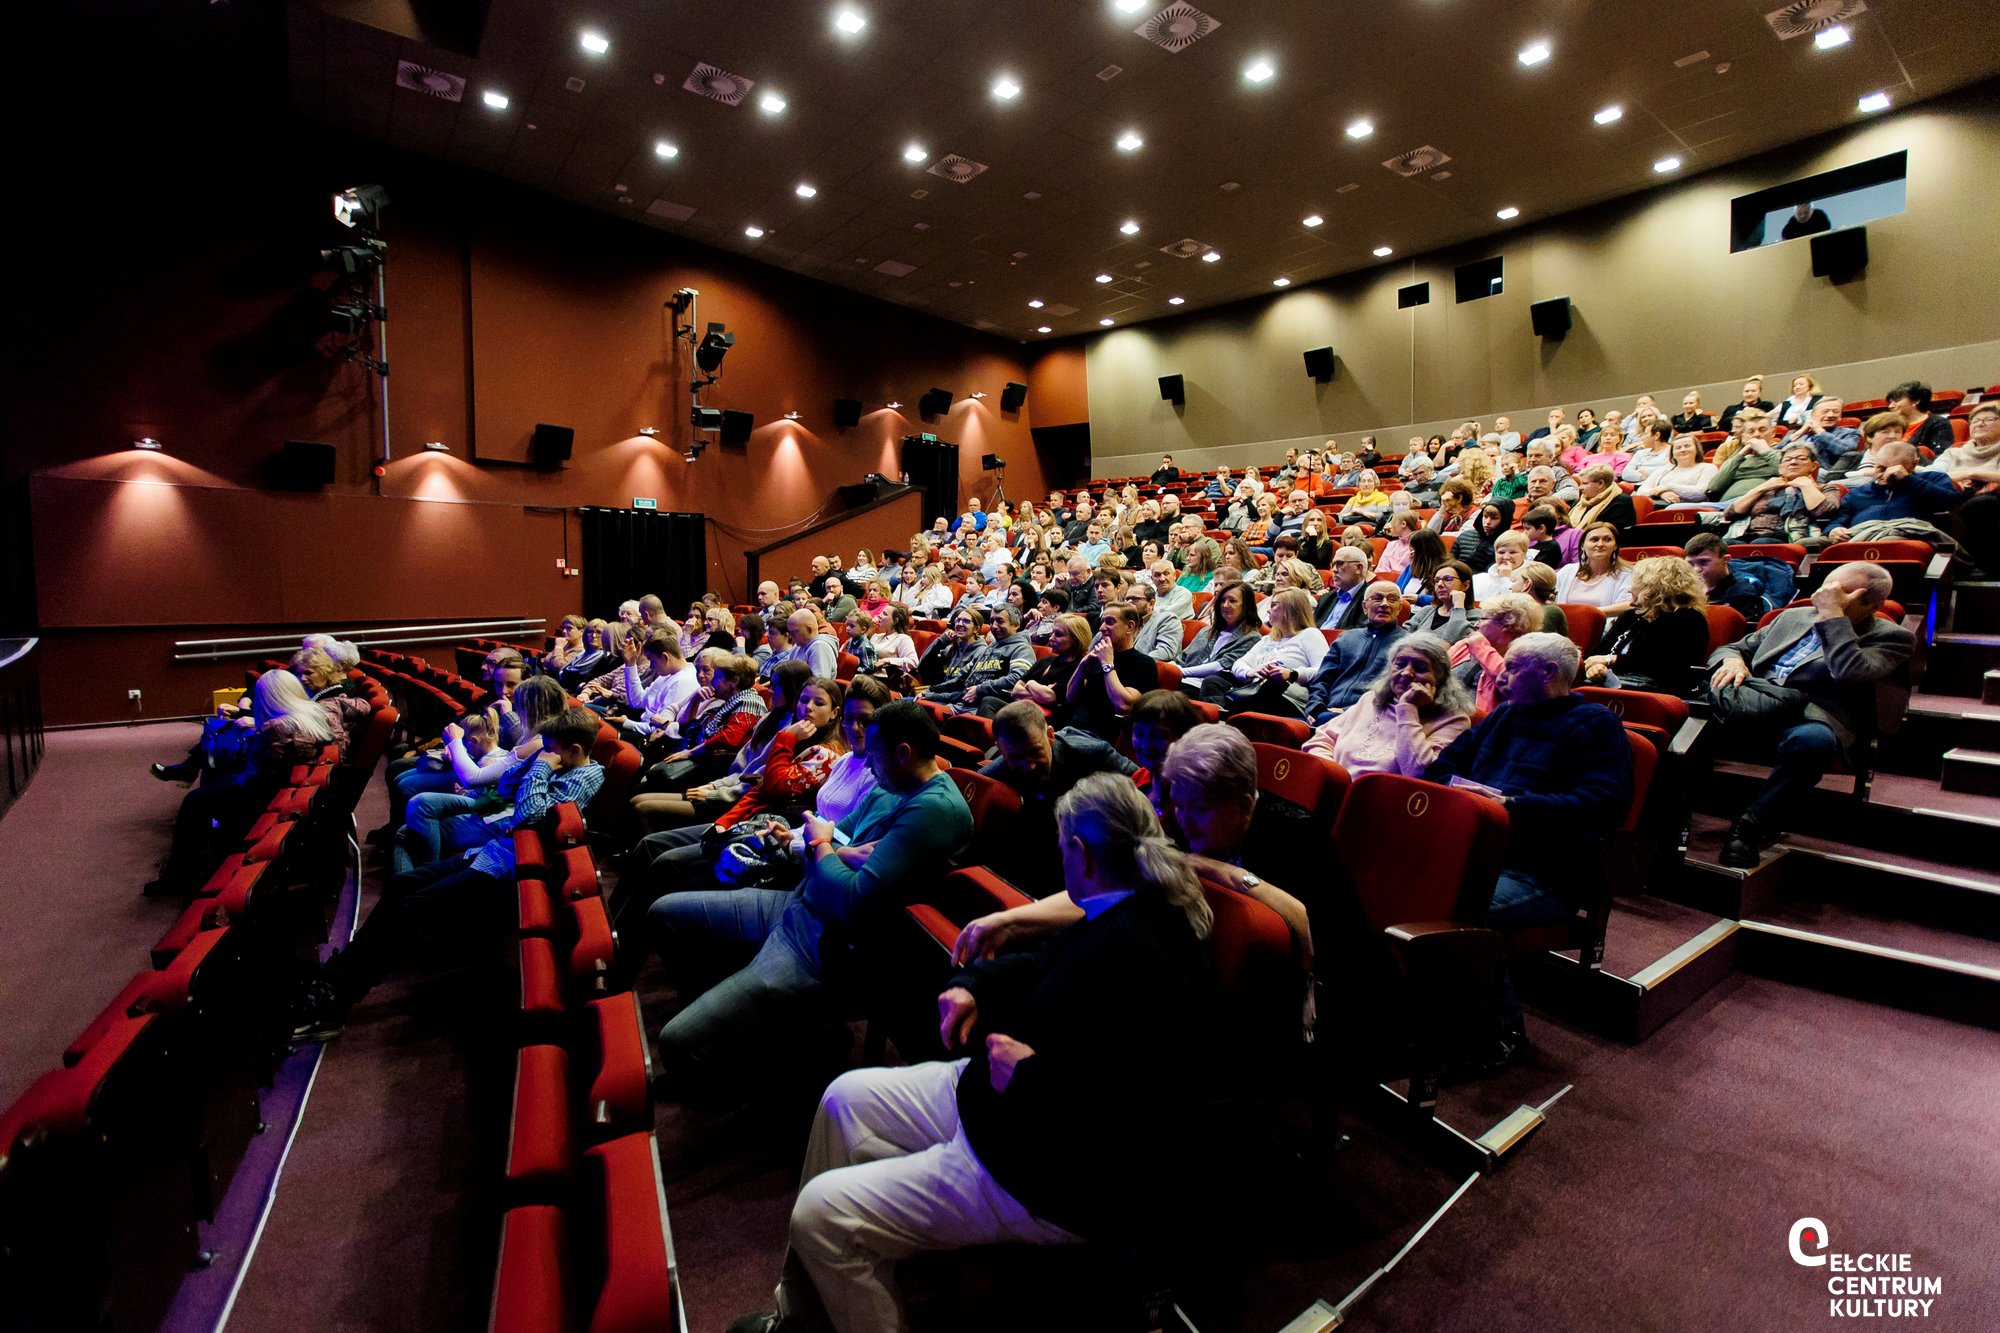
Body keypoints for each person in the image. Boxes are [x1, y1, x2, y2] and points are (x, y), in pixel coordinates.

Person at [732, 776, 1216, 1333]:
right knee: (844, 1097)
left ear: (1080, 853)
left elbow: (1147, 1113)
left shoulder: (1150, 951)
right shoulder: (1124, 902)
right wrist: (977, 987)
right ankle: (801, 1309)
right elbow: (1046, 966)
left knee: (821, 1216)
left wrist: (1030, 1074)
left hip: (1049, 1176)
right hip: (1002, 1109)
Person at [650, 701, 973, 1087]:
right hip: (797, 902)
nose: (868, 766)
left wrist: (822, 848)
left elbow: (851, 897)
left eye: (874, 757)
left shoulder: (934, 808)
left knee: (675, 1043)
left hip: (824, 942)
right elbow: (837, 834)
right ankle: (770, 1024)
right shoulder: (893, 786)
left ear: (903, 753)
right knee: (662, 912)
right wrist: (821, 846)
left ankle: (788, 1061)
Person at [294, 706, 607, 1039]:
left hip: (511, 872)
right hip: (494, 853)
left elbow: (528, 816)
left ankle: (335, 1002)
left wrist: (541, 768)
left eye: (551, 748)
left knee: (409, 909)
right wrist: (529, 761)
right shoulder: (561, 764)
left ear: (573, 750)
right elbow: (503, 794)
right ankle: (339, 973)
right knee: (403, 885)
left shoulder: (584, 778)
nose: (546, 754)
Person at [1424, 634, 1632, 1075]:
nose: (1501, 672)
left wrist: (1512, 806)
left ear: (1549, 673)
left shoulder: (1594, 723)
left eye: (1515, 666)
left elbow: (1605, 804)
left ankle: (1503, 1032)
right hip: (1480, 854)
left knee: (1463, 907)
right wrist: (1463, 794)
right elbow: (1441, 768)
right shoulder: (1504, 717)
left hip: (1547, 871)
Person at [1706, 562, 1913, 867]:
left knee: (1813, 743)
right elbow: (1732, 648)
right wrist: (1733, 662)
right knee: (1676, 713)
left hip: (1811, 713)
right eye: (1825, 585)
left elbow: (1849, 672)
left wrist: (1833, 618)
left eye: (1837, 591)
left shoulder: (1892, 637)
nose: (1821, 595)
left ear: (1871, 603)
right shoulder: (1790, 617)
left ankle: (1750, 827)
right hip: (1755, 699)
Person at [145, 670, 336, 896]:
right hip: (284, 789)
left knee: (196, 799)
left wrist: (252, 733)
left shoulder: (277, 728)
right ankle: (193, 860)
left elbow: (257, 770)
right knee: (214, 778)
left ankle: (177, 874)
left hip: (266, 798)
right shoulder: (312, 714)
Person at [979, 702, 1141, 888]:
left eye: (1035, 752)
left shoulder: (1092, 753)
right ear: (1000, 750)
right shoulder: (992, 778)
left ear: (1050, 736)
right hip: (1038, 855)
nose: (1028, 765)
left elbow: (1143, 784)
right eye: (1016, 757)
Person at [1305, 632, 1473, 777]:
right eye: (1400, 664)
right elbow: (1322, 738)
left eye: (1420, 668)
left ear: (1440, 677)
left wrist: (1408, 710)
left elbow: (1419, 774)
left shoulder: (1453, 720)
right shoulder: (1372, 699)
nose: (1407, 673)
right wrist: (1332, 775)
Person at [1582, 557, 1709, 693]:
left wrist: (1612, 660)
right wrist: (1594, 668)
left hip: (1657, 692)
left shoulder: (1688, 619)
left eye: (1637, 582)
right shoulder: (1631, 616)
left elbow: (1669, 667)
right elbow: (1596, 654)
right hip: (1613, 685)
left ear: (1654, 586)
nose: (1630, 588)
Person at [1301, 582, 1409, 725]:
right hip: (1325, 713)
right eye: (1377, 598)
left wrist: (1349, 711)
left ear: (1400, 608)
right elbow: (1322, 679)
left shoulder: (1407, 645)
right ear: (1365, 607)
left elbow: (1396, 694)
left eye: (1392, 599)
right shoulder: (1347, 638)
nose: (1384, 604)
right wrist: (1316, 708)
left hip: (1371, 719)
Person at [1058, 602, 1160, 743]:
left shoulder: (1144, 663)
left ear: (1129, 627)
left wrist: (1107, 664)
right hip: (1070, 729)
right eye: (1102, 622)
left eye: (1110, 622)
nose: (1102, 628)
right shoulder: (1095, 658)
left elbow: (1124, 705)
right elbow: (1070, 698)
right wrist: (1082, 665)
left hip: (1100, 738)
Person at [1214, 587, 1327, 712]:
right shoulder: (1268, 639)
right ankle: (1225, 719)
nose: (1268, 610)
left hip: (1288, 691)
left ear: (1291, 609)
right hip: (1256, 687)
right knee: (1213, 682)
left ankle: (1238, 717)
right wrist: (1250, 672)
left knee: (1271, 684)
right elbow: (1239, 664)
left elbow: (1324, 670)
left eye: (1274, 605)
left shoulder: (1310, 634)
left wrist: (1292, 673)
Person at [1825, 440, 1962, 541]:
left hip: (1904, 532)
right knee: (1809, 544)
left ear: (1914, 464)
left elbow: (1950, 502)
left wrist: (1907, 480)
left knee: (1887, 541)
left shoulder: (1932, 478)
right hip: (1858, 533)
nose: (1884, 474)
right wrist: (1834, 529)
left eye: (1892, 468)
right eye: (1880, 468)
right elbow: (1839, 518)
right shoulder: (1858, 492)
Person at [1720, 442, 1837, 543]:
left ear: (1813, 466)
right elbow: (1730, 514)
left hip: (1790, 537)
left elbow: (1824, 512)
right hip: (1749, 536)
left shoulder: (1826, 488)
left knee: (1762, 542)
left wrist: (1806, 485)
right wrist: (1761, 488)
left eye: (1801, 458)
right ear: (1780, 467)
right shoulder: (1768, 488)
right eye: (1787, 460)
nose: (1793, 462)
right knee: (1725, 545)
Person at [1448, 592, 1540, 715]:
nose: (1475, 625)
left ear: (1508, 625)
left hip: (1480, 726)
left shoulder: (1525, 658)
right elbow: (1436, 672)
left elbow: (1513, 683)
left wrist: (1481, 648)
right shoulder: (1465, 645)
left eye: (1483, 619)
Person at [1683, 532, 1772, 623]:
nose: (1696, 569)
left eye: (1703, 562)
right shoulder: (1684, 588)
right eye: (1690, 563)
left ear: (1725, 559)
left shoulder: (1743, 594)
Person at [1555, 522, 1636, 615]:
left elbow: (1630, 604)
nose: (1600, 544)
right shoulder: (1567, 571)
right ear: (1582, 546)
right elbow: (1548, 598)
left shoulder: (1627, 574)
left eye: (1607, 539)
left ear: (1615, 546)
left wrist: (1589, 614)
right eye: (1594, 540)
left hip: (1606, 628)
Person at [1404, 560, 1477, 644]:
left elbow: (1455, 639)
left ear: (1465, 585)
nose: (1439, 584)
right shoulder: (1426, 611)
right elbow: (1402, 637)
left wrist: (1458, 606)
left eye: (1447, 579)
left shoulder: (1475, 616)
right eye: (1436, 580)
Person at [1637, 434, 1718, 505]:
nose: (1683, 450)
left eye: (1687, 446)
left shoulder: (1708, 468)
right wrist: (1662, 493)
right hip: (1658, 506)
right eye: (1678, 448)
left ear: (1697, 449)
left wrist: (1669, 487)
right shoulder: (1664, 470)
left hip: (1686, 509)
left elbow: (1701, 493)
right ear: (1673, 454)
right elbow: (1641, 491)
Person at [1885, 380, 1956, 456]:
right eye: (1890, 402)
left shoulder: (1938, 423)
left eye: (1897, 401)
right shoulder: (1891, 425)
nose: (1891, 406)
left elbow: (1940, 458)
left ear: (1915, 401)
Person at [1314, 545, 1373, 631]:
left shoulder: (1370, 600)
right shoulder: (1325, 599)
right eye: (1333, 564)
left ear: (1358, 568)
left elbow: (1358, 636)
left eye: (1340, 564)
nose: (1334, 570)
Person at [1125, 578, 1184, 663]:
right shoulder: (1125, 623)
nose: (1129, 603)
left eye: (1135, 599)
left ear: (1151, 603)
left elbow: (1165, 652)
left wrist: (1133, 664)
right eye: (1127, 599)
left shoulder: (1167, 619)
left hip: (1150, 671)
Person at [1568, 464, 1638, 535]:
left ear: (1600, 483)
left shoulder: (1621, 503)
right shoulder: (1579, 502)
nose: (1580, 488)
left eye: (1585, 483)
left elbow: (1613, 534)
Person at [1452, 500, 1514, 572]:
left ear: (1504, 521)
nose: (1488, 522)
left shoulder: (1505, 544)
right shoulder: (1465, 535)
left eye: (1494, 518)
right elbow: (1451, 561)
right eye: (1485, 516)